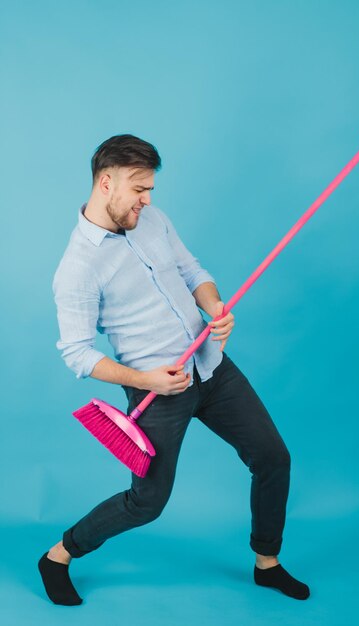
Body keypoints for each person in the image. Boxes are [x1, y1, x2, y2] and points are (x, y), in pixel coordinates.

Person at [38, 134, 310, 606]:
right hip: (157, 390)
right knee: (147, 502)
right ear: (106, 183)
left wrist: (215, 307)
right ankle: (58, 555)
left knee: (273, 457)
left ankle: (267, 563)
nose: (147, 199)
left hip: (211, 367)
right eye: (139, 189)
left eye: (150, 190)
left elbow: (192, 271)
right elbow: (77, 353)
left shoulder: (152, 219)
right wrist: (145, 381)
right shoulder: (77, 268)